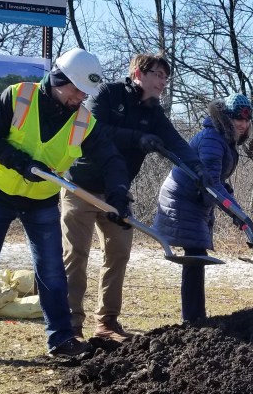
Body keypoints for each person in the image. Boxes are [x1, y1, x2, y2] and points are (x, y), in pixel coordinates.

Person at [0, 48, 132, 365]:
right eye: (75, 90)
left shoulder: (84, 121)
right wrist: (21, 162)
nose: (79, 98)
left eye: (84, 93)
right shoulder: (18, 96)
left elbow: (112, 159)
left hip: (41, 200)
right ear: (58, 79)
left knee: (51, 270)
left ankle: (61, 339)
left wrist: (118, 193)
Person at [61, 53, 208, 342]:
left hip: (118, 194)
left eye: (166, 77)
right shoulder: (107, 93)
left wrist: (198, 167)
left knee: (119, 253)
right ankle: (70, 325)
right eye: (157, 74)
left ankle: (107, 323)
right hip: (81, 187)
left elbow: (175, 141)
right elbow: (93, 129)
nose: (163, 82)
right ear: (138, 74)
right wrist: (136, 138)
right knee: (75, 255)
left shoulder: (154, 114)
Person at [152, 93, 253, 322]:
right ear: (225, 117)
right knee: (196, 255)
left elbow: (214, 179)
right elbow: (211, 183)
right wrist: (239, 214)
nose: (242, 124)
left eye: (246, 120)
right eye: (237, 118)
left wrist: (227, 195)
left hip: (196, 199)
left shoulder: (223, 140)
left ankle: (195, 317)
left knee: (196, 255)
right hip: (183, 199)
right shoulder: (212, 139)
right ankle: (194, 319)